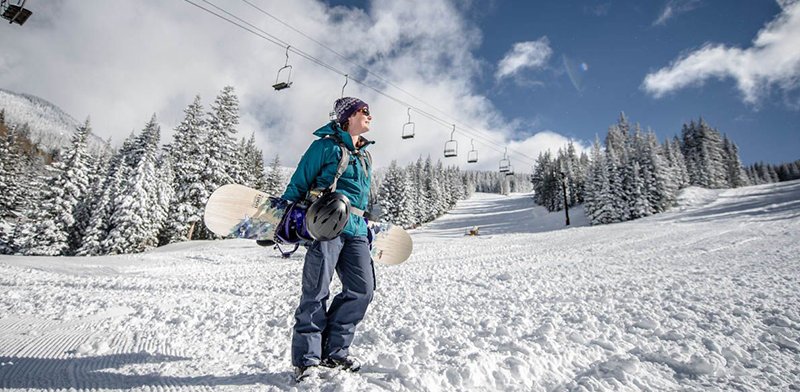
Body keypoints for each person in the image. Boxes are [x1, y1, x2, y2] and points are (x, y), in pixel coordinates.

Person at [280, 97, 376, 382]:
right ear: (348, 116)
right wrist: (284, 219)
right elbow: (299, 181)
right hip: (326, 226)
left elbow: (361, 196)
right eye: (364, 111)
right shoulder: (325, 146)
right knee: (316, 291)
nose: (370, 116)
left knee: (363, 290)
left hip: (356, 229)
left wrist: (368, 224)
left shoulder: (366, 155)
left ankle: (335, 351)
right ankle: (307, 359)